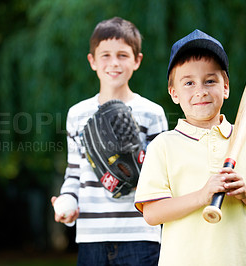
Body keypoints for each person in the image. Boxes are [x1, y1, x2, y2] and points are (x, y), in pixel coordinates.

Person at [134, 29, 246, 266]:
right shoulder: (163, 146)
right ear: (174, 93)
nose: (200, 91)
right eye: (189, 83)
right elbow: (152, 214)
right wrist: (202, 196)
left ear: (225, 87)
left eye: (210, 81)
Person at [51, 17, 168, 265]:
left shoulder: (152, 112)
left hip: (140, 234)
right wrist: (68, 204)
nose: (114, 63)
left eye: (123, 55)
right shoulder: (77, 114)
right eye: (105, 55)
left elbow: (161, 177)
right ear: (92, 61)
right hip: (91, 236)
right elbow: (73, 174)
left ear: (137, 61)